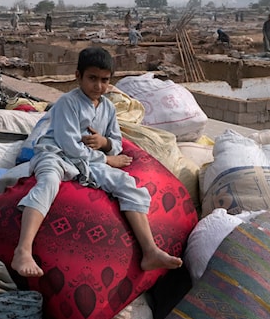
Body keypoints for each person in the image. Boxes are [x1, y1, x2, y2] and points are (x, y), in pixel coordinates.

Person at [11, 47, 182, 278]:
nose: (98, 86)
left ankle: (150, 250)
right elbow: (68, 145)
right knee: (48, 182)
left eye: (104, 80)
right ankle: (23, 251)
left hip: (89, 163)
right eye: (92, 78)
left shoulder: (108, 108)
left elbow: (117, 142)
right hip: (56, 155)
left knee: (126, 183)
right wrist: (107, 158)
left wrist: (104, 142)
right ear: (78, 76)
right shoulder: (67, 103)